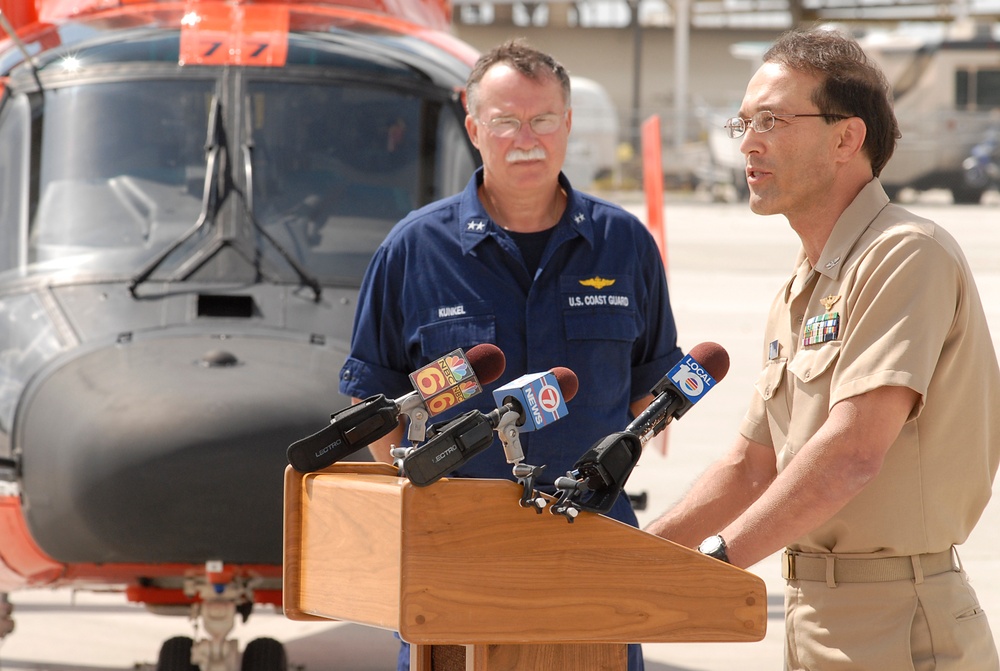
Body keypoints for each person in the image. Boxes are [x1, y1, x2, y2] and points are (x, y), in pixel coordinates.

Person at [645, 27, 1000, 670]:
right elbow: (751, 466)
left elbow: (852, 454)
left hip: (900, 623)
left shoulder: (904, 254)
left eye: (773, 120)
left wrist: (714, 564)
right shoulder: (801, 286)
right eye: (744, 123)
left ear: (846, 138)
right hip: (813, 618)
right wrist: (636, 558)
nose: (749, 142)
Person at [339, 39, 682, 671]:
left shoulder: (624, 244)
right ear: (474, 128)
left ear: (568, 123)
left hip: (593, 545)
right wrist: (431, 501)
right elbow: (375, 400)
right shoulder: (414, 249)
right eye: (505, 121)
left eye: (543, 119)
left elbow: (649, 392)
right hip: (456, 556)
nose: (526, 138)